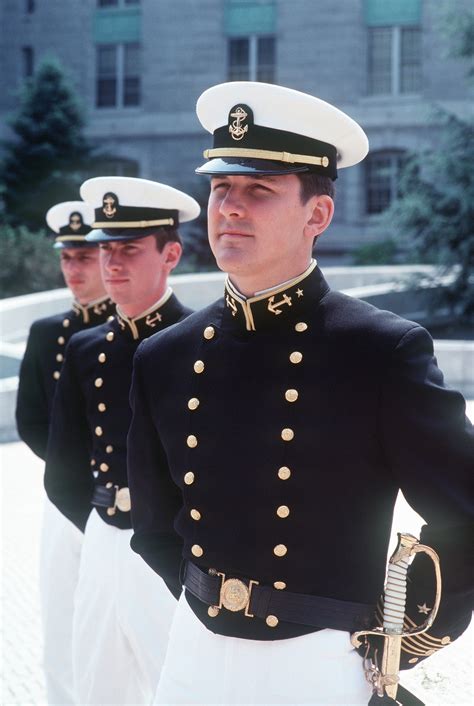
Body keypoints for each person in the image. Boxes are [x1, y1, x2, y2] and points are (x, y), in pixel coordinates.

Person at [127, 82, 473, 706]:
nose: (231, 207)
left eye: (259, 191)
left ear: (317, 215)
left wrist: (403, 633)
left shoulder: (378, 351)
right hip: (194, 652)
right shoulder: (165, 355)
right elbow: (155, 523)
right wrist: (203, 597)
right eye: (221, 189)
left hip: (319, 657)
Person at [44, 177, 200, 705]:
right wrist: (99, 530)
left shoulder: (202, 340)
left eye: (129, 250)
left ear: (171, 254)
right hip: (104, 535)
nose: (112, 262)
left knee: (176, 683)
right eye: (107, 249)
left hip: (173, 545)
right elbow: (62, 467)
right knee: (96, 682)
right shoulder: (87, 348)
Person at [15, 200, 114, 705]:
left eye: (85, 257)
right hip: (64, 498)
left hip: (127, 504)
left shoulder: (139, 331)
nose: (74, 269)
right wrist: (73, 475)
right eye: (67, 258)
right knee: (60, 622)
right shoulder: (46, 332)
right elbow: (31, 421)